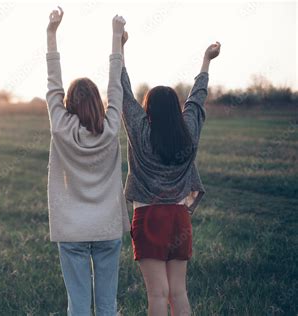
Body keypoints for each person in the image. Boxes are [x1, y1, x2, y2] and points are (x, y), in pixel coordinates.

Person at [120, 29, 221, 316]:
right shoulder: (188, 130)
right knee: (178, 293)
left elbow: (123, 91)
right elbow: (197, 98)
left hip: (149, 216)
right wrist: (206, 60)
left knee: (157, 294)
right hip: (179, 217)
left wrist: (120, 46)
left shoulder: (141, 131)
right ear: (176, 109)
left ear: (148, 109)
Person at [45, 7, 130, 315]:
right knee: (107, 306)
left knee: (78, 307)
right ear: (99, 102)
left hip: (72, 232)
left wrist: (51, 34)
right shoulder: (110, 129)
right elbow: (116, 85)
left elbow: (53, 84)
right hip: (107, 230)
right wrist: (116, 40)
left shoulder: (60, 127)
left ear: (67, 104)